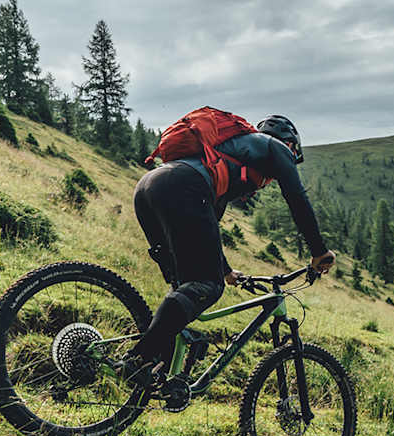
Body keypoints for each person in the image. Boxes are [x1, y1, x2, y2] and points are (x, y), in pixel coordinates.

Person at [125, 115, 334, 411]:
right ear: (291, 144)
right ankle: (138, 359)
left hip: (150, 186)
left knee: (186, 289)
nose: (270, 181)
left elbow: (206, 226)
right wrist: (319, 251)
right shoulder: (276, 149)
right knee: (206, 287)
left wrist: (225, 271)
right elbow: (297, 199)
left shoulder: (230, 154)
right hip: (181, 187)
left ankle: (151, 375)